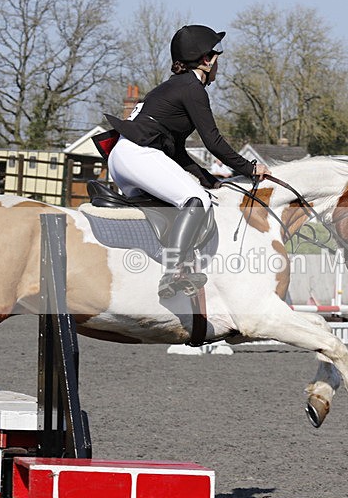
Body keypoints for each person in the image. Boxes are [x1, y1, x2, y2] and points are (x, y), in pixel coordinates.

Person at [103, 25, 272, 299]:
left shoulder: (173, 87)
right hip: (139, 154)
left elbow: (178, 153)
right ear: (206, 61)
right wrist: (250, 168)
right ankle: (174, 271)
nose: (218, 64)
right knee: (196, 200)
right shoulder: (193, 88)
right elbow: (213, 141)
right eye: (216, 57)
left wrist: (212, 180)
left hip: (124, 158)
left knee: (181, 203)